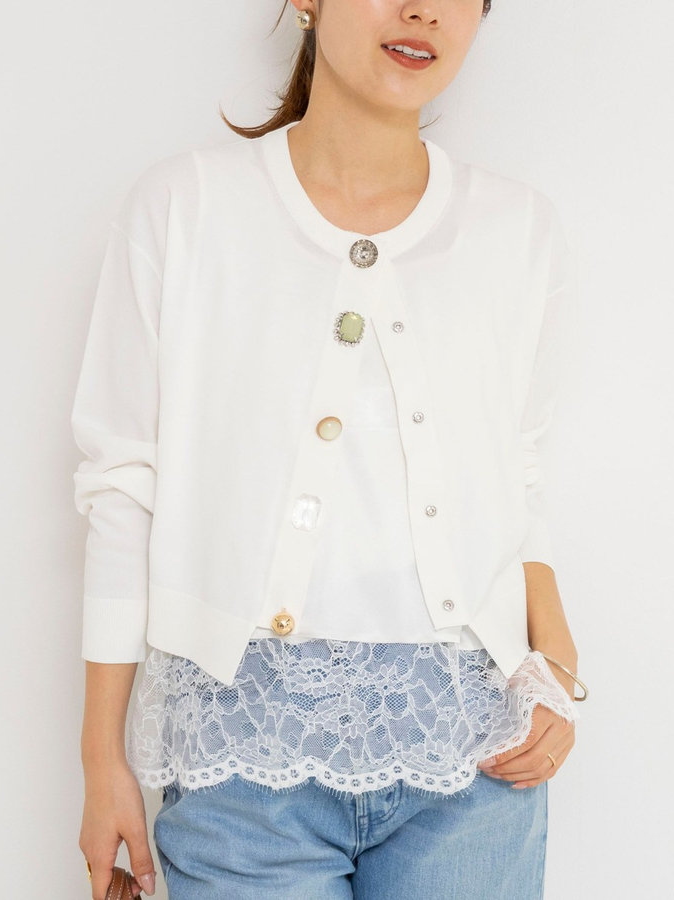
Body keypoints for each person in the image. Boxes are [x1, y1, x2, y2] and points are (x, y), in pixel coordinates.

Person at [73, 2, 589, 898]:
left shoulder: (519, 228)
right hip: (242, 764)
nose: (423, 9)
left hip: (476, 759)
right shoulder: (186, 207)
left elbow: (517, 471)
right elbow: (124, 485)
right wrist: (102, 760)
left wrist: (556, 672)